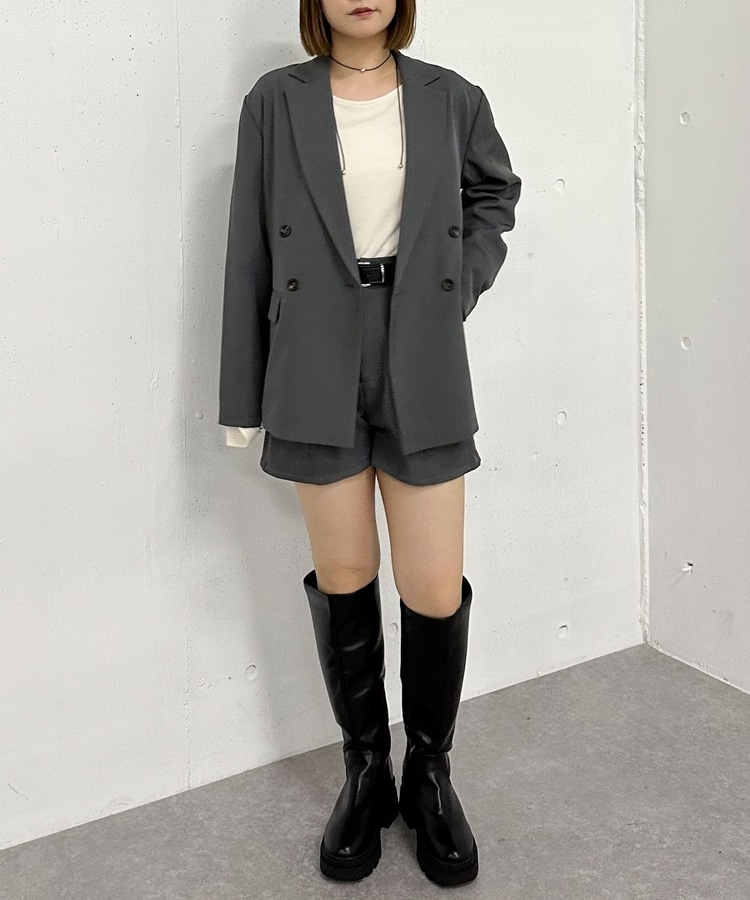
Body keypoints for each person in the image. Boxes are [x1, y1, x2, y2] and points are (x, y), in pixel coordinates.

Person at [218, 0, 521, 887]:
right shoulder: (275, 101)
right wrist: (242, 393)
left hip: (420, 343)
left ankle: (429, 775)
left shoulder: (451, 96)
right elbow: (247, 248)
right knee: (346, 571)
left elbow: (494, 194)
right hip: (312, 350)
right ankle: (366, 772)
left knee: (432, 582)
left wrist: (456, 282)